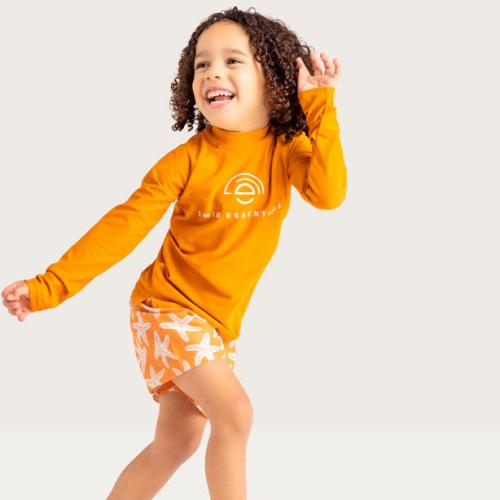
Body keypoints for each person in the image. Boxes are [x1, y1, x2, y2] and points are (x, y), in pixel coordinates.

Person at [1, 6, 347, 499]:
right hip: (166, 310)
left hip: (217, 324)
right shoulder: (186, 161)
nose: (212, 73)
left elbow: (328, 194)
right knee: (236, 413)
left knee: (177, 441)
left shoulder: (286, 150)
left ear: (273, 79)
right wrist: (48, 288)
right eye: (202, 64)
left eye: (232, 60)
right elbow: (121, 227)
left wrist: (320, 108)